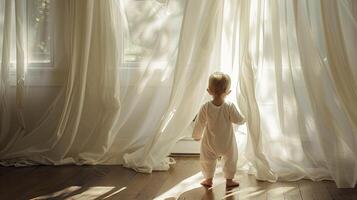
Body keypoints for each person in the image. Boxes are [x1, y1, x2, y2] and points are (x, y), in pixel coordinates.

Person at [193, 72, 245, 188]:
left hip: (210, 142)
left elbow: (199, 123)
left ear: (209, 91)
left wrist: (197, 136)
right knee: (231, 159)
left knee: (207, 160)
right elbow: (238, 119)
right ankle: (229, 180)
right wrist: (244, 119)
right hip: (227, 143)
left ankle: (208, 179)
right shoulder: (229, 106)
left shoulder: (205, 107)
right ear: (228, 92)